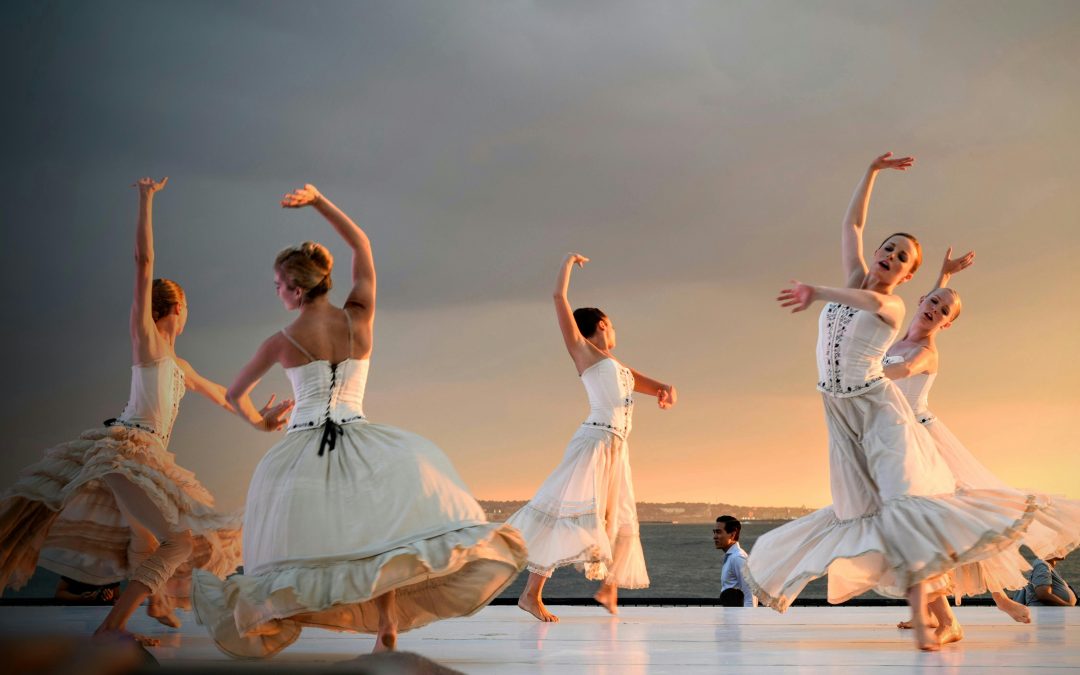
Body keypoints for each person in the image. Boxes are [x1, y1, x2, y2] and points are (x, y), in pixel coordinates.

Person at [192, 184, 527, 658]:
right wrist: (318, 201)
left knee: (311, 545)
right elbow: (361, 245)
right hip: (363, 438)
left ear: (297, 289)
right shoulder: (360, 316)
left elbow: (233, 395)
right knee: (377, 541)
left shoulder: (281, 341)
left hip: (304, 448)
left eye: (278, 285)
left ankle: (278, 617)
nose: (277, 291)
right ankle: (386, 624)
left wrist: (262, 423)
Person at [746, 152, 1041, 651]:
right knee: (864, 514)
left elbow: (875, 307)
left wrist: (818, 291)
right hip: (840, 416)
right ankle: (940, 616)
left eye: (903, 258)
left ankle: (932, 621)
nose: (892, 256)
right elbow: (852, 226)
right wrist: (871, 173)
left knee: (905, 513)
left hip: (881, 412)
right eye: (889, 248)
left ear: (907, 278)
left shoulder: (893, 304)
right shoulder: (861, 282)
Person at [0, 177, 292, 644]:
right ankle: (112, 627)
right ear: (176, 306)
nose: (189, 311)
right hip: (125, 451)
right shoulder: (148, 342)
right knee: (178, 541)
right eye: (188, 304)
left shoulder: (180, 365)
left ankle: (151, 605)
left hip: (147, 456)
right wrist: (146, 198)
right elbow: (143, 262)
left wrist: (261, 421)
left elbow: (224, 395)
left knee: (150, 541)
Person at [887, 249, 1080, 629]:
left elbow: (901, 371)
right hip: (897, 441)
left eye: (944, 312)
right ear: (921, 299)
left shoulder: (925, 352)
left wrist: (855, 373)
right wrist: (944, 277)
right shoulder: (906, 332)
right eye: (933, 302)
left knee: (958, 521)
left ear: (946, 325)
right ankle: (932, 609)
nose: (935, 310)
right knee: (924, 527)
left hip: (924, 443)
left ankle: (998, 600)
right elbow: (931, 305)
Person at [506, 253, 677, 622]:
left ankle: (608, 588)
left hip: (616, 448)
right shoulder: (583, 352)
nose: (615, 330)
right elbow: (559, 298)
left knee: (618, 515)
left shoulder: (615, 366)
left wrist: (666, 389)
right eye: (611, 325)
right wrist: (568, 263)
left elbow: (644, 382)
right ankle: (530, 594)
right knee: (563, 514)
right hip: (594, 442)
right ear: (602, 324)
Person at [714, 516, 755, 607]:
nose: (715, 536)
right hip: (731, 614)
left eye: (719, 532)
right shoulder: (732, 557)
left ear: (732, 534)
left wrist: (750, 616)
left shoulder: (737, 558)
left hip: (737, 615)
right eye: (714, 532)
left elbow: (750, 596)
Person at [1013, 557, 1077, 607]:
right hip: (1044, 613)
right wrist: (1066, 605)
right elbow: (1043, 593)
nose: (1064, 550)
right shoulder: (1041, 564)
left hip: (1049, 613)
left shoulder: (1045, 565)